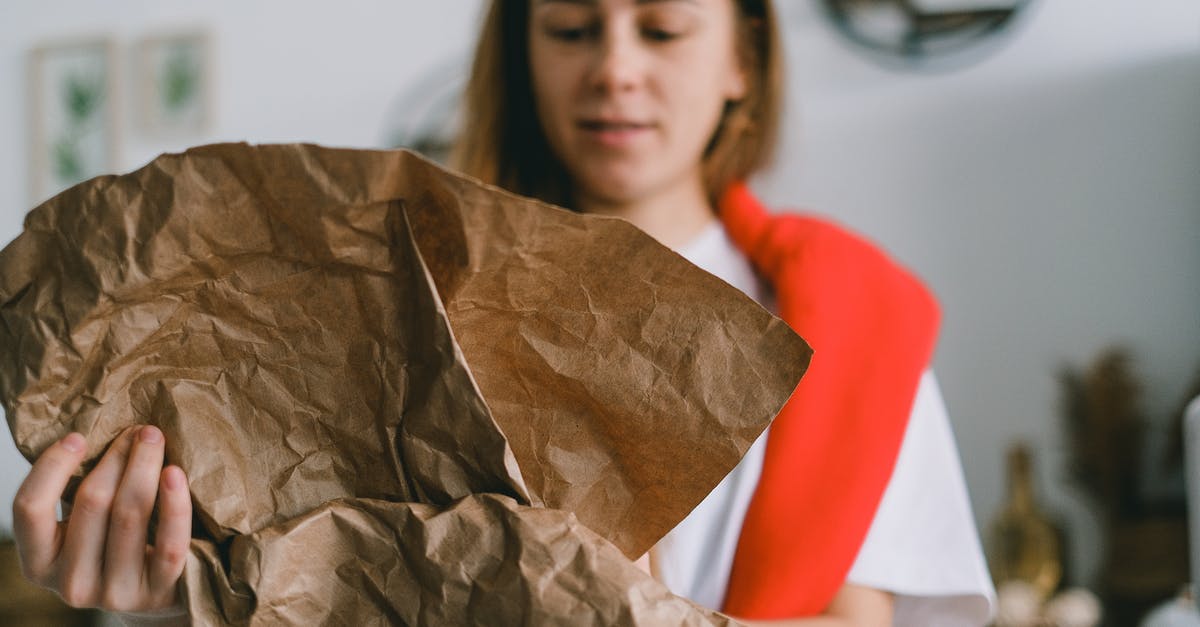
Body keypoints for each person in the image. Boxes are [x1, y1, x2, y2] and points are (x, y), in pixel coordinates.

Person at [11, 0, 995, 624]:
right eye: (570, 28)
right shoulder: (395, 316)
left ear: (744, 56)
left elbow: (859, 617)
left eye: (662, 29)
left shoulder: (855, 332)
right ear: (521, 53)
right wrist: (162, 594)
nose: (614, 67)